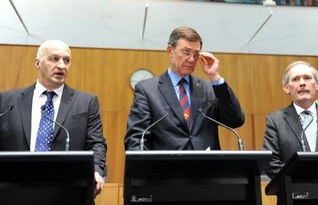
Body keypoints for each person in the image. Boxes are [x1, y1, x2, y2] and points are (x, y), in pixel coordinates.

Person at [0, 40, 107, 196]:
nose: (62, 66)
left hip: (67, 191)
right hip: (14, 190)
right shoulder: (7, 101)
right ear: (37, 63)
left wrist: (96, 171)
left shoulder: (86, 102)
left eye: (66, 60)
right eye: (54, 59)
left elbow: (96, 143)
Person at [124, 26, 244, 150]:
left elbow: (235, 121)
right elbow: (136, 139)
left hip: (206, 168)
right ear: (170, 51)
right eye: (186, 52)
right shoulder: (147, 90)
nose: (192, 59)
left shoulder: (209, 89)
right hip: (166, 168)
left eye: (196, 54)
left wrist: (215, 77)